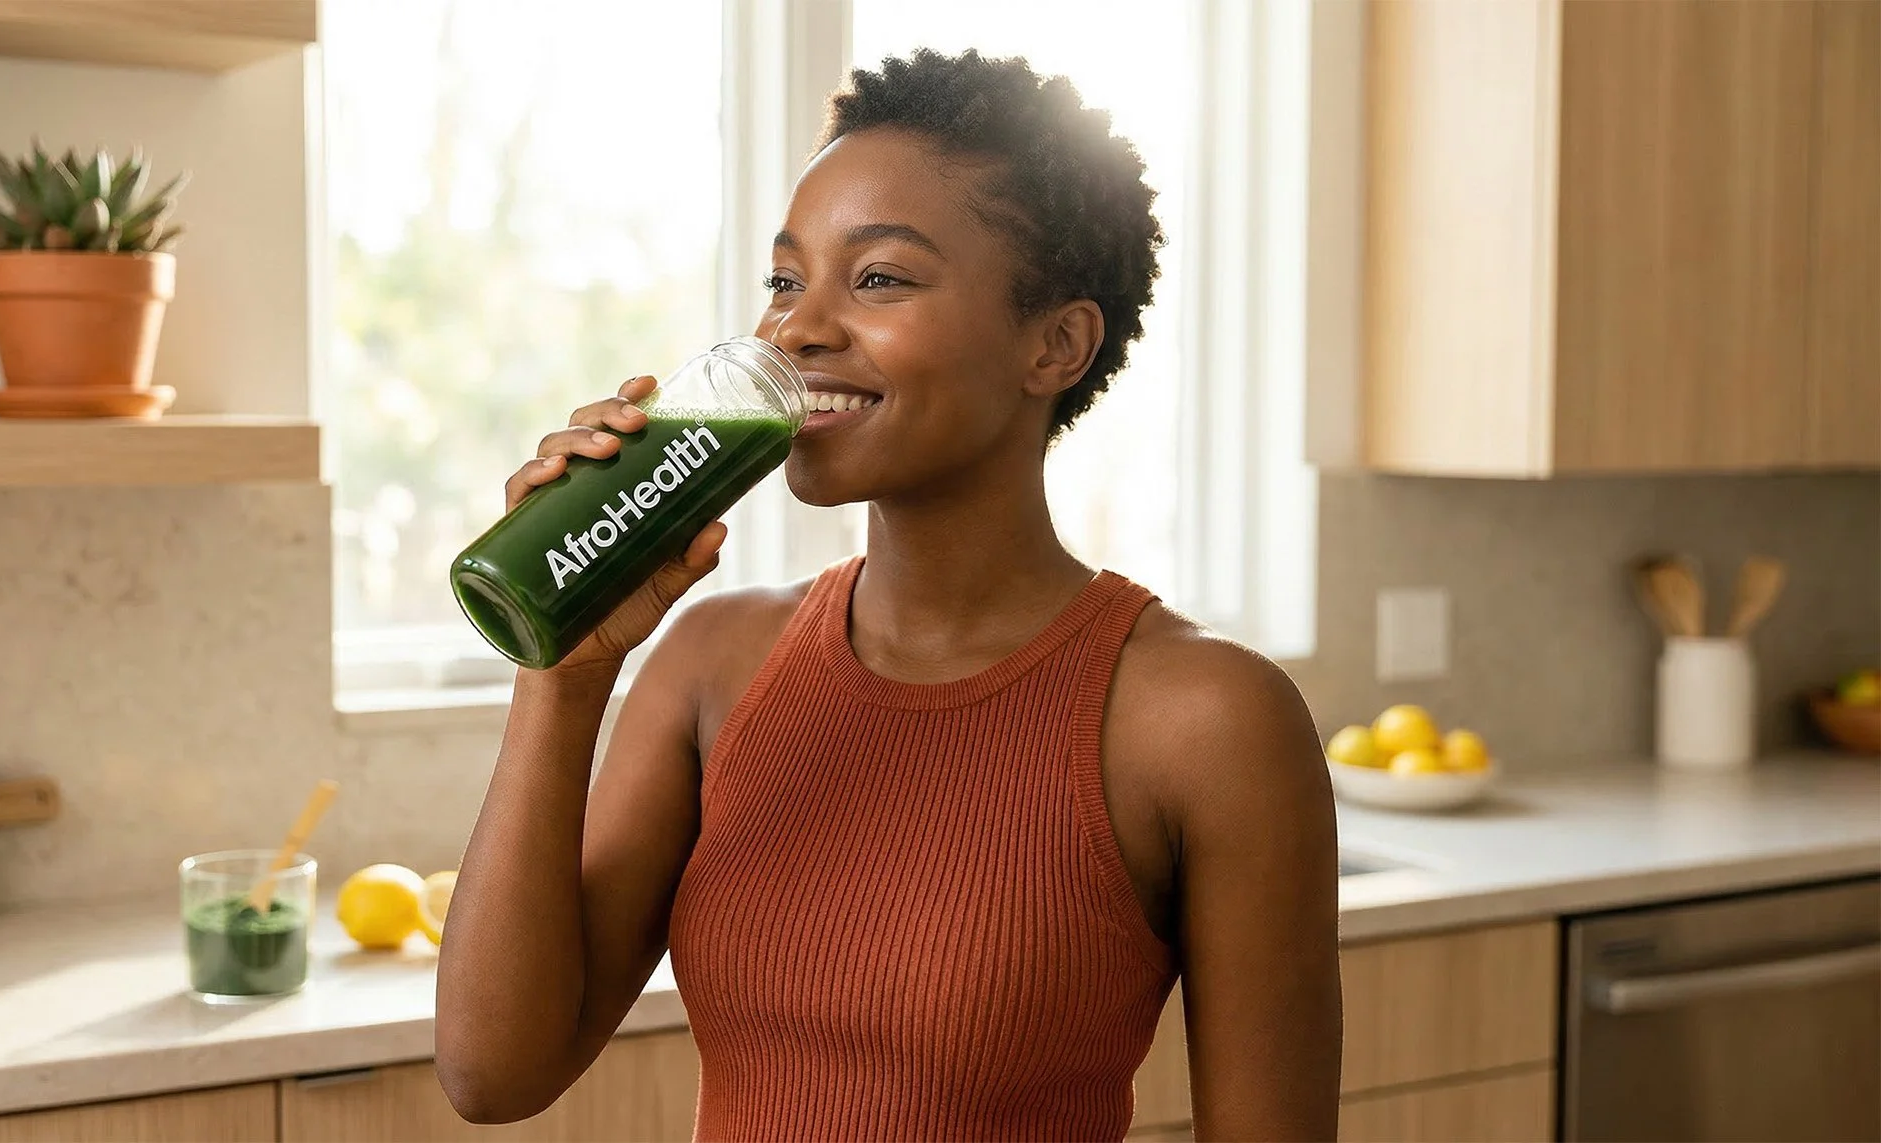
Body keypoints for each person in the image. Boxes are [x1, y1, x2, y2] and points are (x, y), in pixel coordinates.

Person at [436, 48, 1341, 1142]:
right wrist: (562, 671)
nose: (797, 329)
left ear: (1054, 343)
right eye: (784, 280)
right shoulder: (711, 664)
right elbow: (493, 1075)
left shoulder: (1202, 720)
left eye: (878, 279)